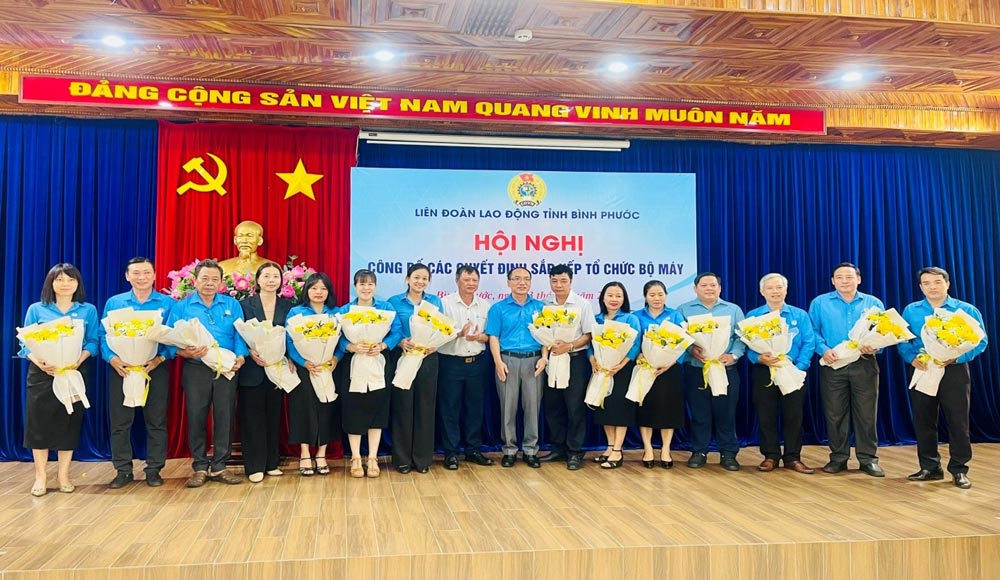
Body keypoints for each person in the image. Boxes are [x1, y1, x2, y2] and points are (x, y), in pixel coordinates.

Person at [898, 267, 987, 489]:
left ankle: (959, 469)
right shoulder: (911, 310)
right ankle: (929, 467)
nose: (932, 287)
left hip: (954, 370)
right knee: (923, 419)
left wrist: (956, 358)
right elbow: (903, 339)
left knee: (958, 421)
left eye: (937, 282)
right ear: (920, 287)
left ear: (947, 283)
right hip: (923, 368)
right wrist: (910, 358)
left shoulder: (965, 310)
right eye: (926, 283)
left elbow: (981, 342)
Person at [166, 259, 248, 487]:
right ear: (195, 281)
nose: (209, 283)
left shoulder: (232, 304)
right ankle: (200, 466)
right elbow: (169, 340)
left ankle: (220, 465)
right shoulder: (182, 307)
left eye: (214, 279)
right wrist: (185, 352)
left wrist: (241, 357)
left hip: (227, 369)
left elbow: (241, 335)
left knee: (225, 417)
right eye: (204, 278)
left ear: (222, 282)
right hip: (195, 369)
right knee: (196, 416)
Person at [20, 263, 99, 496]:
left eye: (70, 280)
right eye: (60, 280)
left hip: (74, 372)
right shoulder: (37, 309)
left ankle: (64, 474)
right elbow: (25, 344)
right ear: (51, 283)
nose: (65, 284)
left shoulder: (88, 310)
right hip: (42, 374)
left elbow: (93, 342)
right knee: (39, 424)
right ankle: (40, 476)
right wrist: (40, 362)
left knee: (69, 424)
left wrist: (79, 359)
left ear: (78, 283)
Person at [100, 257, 174, 489]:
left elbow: (173, 336)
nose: (141, 277)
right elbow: (104, 336)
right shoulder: (115, 303)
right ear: (127, 276)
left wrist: (160, 358)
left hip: (155, 369)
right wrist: (112, 359)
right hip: (121, 370)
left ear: (154, 275)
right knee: (121, 422)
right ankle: (123, 470)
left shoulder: (167, 303)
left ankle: (154, 469)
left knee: (156, 421)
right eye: (136, 273)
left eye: (146, 273)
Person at [808, 262, 886, 477]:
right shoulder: (820, 303)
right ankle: (838, 458)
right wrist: (823, 350)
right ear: (833, 281)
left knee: (866, 414)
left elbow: (884, 330)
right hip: (833, 364)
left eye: (849, 277)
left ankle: (868, 459)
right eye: (839, 277)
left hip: (865, 363)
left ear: (858, 279)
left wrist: (876, 347)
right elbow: (812, 331)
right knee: (835, 414)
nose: (845, 281)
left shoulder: (873, 303)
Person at [745, 273, 817, 474]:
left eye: (779, 288)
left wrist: (799, 367)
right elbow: (748, 347)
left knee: (794, 415)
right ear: (762, 291)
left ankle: (793, 457)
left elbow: (808, 342)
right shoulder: (753, 316)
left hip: (792, 371)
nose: (775, 292)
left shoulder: (799, 315)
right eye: (770, 288)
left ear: (786, 290)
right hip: (764, 371)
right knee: (765, 414)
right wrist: (759, 358)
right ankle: (770, 456)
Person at [335, 269, 402, 478]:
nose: (366, 288)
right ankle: (356, 458)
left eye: (370, 284)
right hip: (352, 365)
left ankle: (372, 458)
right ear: (355, 286)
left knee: (377, 409)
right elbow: (334, 336)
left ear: (375, 286)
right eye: (362, 284)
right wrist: (349, 346)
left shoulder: (386, 308)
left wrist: (383, 344)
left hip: (379, 362)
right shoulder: (345, 310)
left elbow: (397, 331)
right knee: (353, 409)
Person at [678, 273, 746, 471]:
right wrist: (692, 349)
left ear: (720, 288)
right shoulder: (684, 310)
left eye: (713, 285)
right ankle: (699, 451)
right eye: (704, 285)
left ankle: (728, 453)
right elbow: (680, 337)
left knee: (726, 413)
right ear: (695, 288)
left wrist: (733, 355)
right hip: (696, 370)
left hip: (726, 370)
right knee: (700, 414)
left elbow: (741, 337)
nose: (709, 288)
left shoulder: (733, 310)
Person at [486, 267, 548, 468]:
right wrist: (498, 362)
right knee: (507, 407)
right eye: (517, 279)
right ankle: (509, 450)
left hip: (534, 361)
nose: (522, 282)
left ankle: (531, 450)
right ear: (509, 282)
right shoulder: (498, 308)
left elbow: (547, 336)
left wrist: (544, 358)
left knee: (532, 407)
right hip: (507, 361)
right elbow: (493, 336)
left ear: (530, 282)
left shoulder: (541, 307)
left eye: (526, 279)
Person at [239, 262, 294, 483]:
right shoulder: (244, 304)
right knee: (252, 418)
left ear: (281, 281)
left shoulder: (289, 305)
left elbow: (292, 336)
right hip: (253, 369)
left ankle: (272, 462)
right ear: (258, 280)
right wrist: (249, 352)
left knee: (274, 416)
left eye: (275, 276)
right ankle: (254, 466)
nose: (271, 280)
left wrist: (290, 357)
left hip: (277, 368)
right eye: (267, 276)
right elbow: (238, 334)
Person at [388, 263, 444, 474]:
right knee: (402, 407)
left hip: (428, 359)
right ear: (408, 279)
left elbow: (443, 329)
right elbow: (392, 330)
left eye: (424, 278)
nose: (420, 282)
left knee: (425, 408)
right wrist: (401, 341)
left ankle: (422, 459)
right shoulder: (394, 302)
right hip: (403, 357)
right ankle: (402, 459)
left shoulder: (435, 301)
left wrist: (435, 345)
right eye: (416, 277)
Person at [437, 265, 494, 470]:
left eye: (474, 280)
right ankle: (451, 453)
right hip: (451, 363)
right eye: (466, 280)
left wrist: (479, 337)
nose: (471, 284)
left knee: (475, 409)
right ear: (457, 281)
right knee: (449, 409)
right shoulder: (444, 304)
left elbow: (491, 336)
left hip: (477, 363)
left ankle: (473, 450)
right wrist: (459, 334)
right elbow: (438, 335)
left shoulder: (485, 306)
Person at [540, 264, 595, 470]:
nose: (559, 285)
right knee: (553, 406)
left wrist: (569, 346)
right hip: (552, 358)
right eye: (554, 281)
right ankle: (558, 448)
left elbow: (588, 334)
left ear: (571, 281)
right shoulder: (545, 304)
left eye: (563, 281)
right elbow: (541, 332)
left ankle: (575, 451)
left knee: (574, 407)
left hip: (575, 359)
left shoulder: (582, 304)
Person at [286, 273, 340, 476]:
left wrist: (335, 359)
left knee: (326, 409)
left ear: (329, 292)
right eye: (314, 288)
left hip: (328, 368)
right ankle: (305, 453)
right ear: (307, 290)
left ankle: (322, 454)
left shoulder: (335, 313)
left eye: (323, 288)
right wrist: (303, 362)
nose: (319, 292)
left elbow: (342, 341)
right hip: (304, 369)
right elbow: (289, 341)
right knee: (303, 409)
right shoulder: (296, 312)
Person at [589, 281, 641, 469]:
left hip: (622, 370)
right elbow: (590, 344)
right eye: (610, 295)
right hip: (601, 369)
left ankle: (618, 451)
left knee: (620, 409)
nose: (614, 299)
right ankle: (609, 447)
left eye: (618, 296)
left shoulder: (630, 319)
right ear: (603, 297)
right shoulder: (596, 319)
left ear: (624, 299)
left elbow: (635, 345)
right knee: (605, 408)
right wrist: (592, 360)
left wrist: (621, 364)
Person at [634, 280, 685, 469]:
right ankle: (647, 449)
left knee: (668, 410)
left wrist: (671, 361)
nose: (657, 298)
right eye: (652, 295)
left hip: (669, 370)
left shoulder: (675, 315)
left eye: (660, 294)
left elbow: (684, 342)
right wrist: (639, 355)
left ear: (666, 295)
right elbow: (634, 341)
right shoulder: (637, 316)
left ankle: (665, 449)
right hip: (645, 368)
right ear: (645, 297)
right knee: (645, 408)